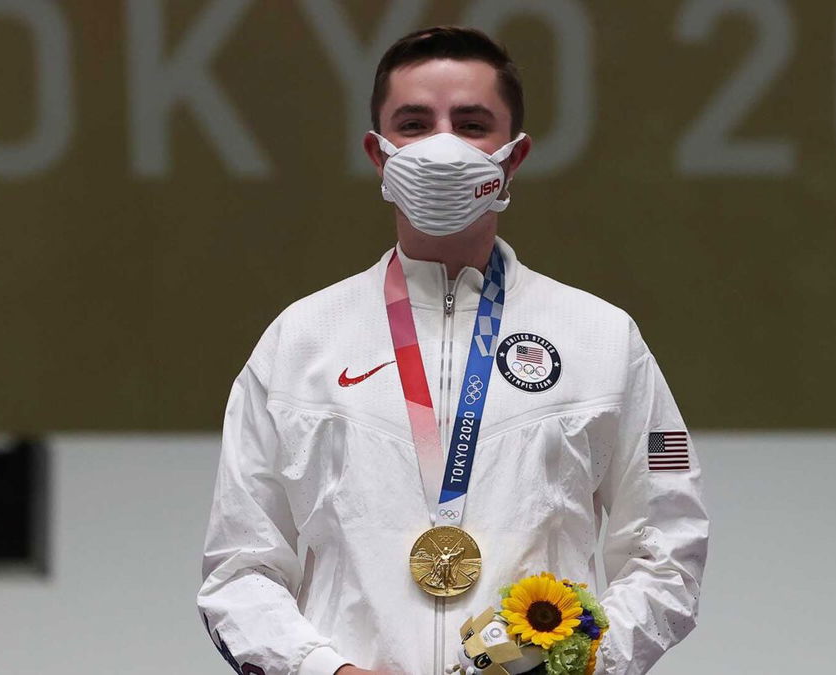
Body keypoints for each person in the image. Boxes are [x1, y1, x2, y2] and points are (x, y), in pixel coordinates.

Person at [197, 26, 709, 675]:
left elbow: (668, 551)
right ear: (379, 154)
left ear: (513, 156)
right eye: (414, 123)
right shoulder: (298, 341)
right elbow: (238, 569)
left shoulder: (603, 338)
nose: (442, 146)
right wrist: (323, 671)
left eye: (471, 123)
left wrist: (579, 666)